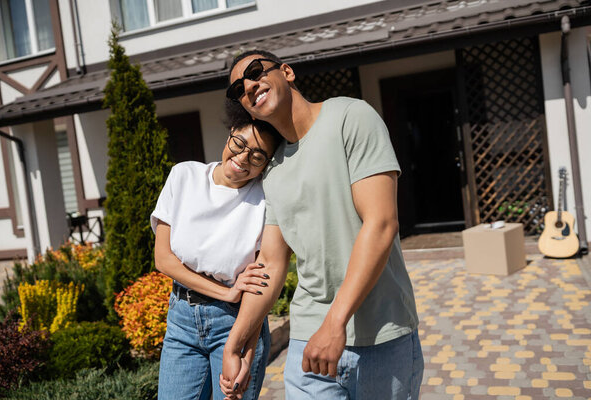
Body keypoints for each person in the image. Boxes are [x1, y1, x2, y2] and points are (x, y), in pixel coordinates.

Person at [220, 50, 424, 400]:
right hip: (308, 341)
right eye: (239, 87)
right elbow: (270, 263)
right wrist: (236, 344)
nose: (249, 85)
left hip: (380, 334)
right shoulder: (273, 169)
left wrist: (335, 323)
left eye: (256, 72)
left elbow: (381, 223)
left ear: (287, 72)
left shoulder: (351, 116)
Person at [151, 107, 282, 400]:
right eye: (239, 144)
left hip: (236, 324)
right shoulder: (184, 176)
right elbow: (164, 259)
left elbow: (260, 287)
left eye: (257, 156)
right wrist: (227, 292)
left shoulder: (266, 200)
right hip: (181, 321)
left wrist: (247, 357)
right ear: (230, 135)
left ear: (266, 164)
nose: (242, 159)